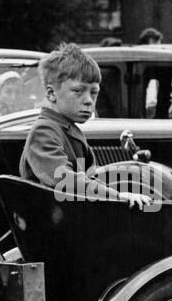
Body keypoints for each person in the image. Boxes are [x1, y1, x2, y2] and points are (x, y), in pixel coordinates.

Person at [20, 43, 150, 208]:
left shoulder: (67, 128)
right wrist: (117, 196)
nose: (89, 100)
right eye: (78, 91)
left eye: (94, 93)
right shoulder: (44, 131)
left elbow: (88, 176)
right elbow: (65, 180)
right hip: (53, 223)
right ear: (51, 93)